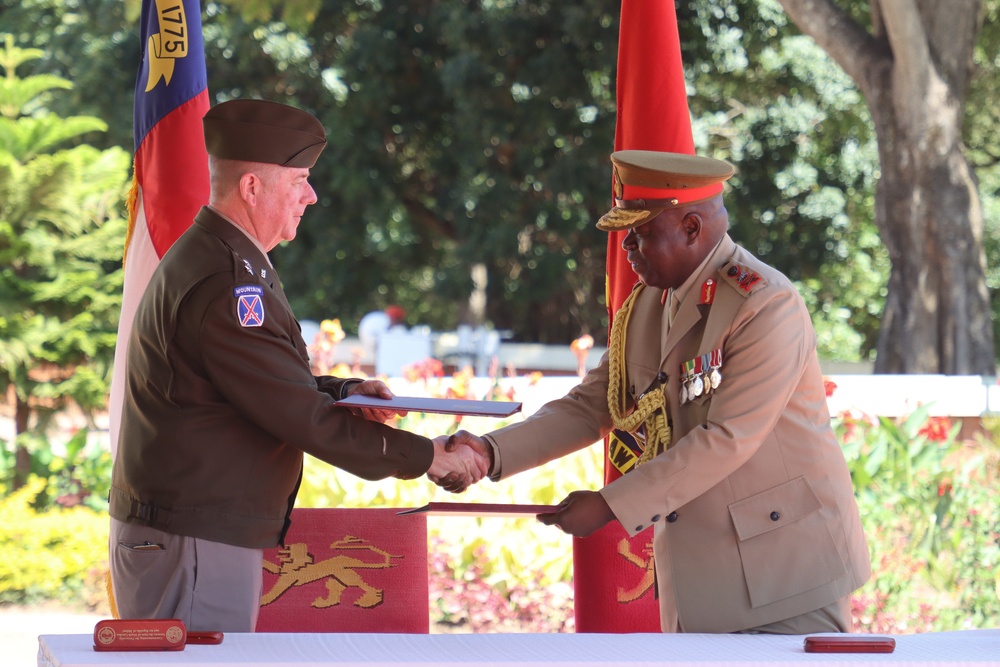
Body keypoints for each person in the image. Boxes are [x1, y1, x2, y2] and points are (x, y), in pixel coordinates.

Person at [437, 150, 871, 634]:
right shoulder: (647, 303)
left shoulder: (764, 303)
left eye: (641, 233)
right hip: (700, 575)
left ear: (691, 227)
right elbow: (593, 405)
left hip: (786, 572)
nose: (627, 248)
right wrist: (490, 453)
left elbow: (728, 437)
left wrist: (608, 505)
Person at [108, 99, 486, 632]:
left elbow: (256, 381)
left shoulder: (223, 258)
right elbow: (294, 413)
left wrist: (342, 392)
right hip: (194, 539)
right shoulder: (227, 281)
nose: (312, 195)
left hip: (191, 531)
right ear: (252, 188)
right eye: (300, 180)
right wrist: (428, 457)